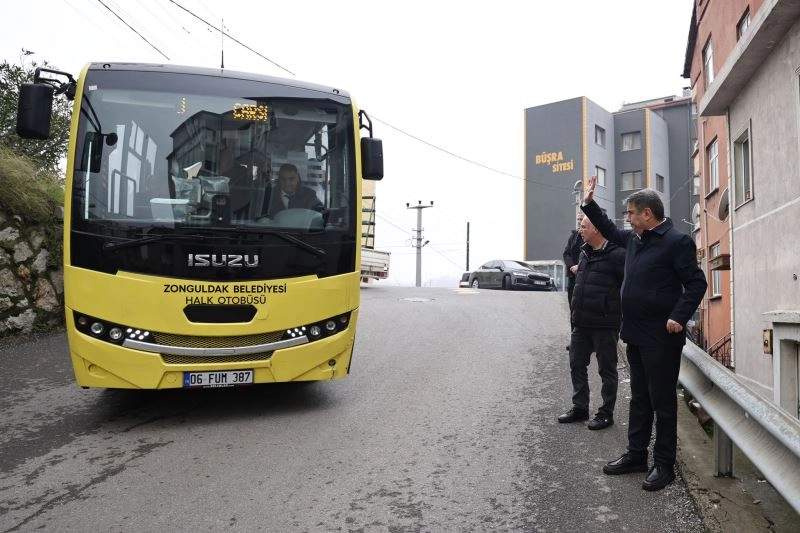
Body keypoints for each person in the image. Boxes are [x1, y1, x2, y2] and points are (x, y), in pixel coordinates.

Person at [581, 175, 707, 491]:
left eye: (631, 213)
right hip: (635, 333)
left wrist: (679, 316)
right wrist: (589, 203)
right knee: (639, 398)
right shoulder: (636, 241)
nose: (628, 218)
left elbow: (696, 283)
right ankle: (636, 455)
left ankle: (663, 465)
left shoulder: (677, 242)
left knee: (662, 402)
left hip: (662, 338)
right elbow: (609, 230)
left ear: (647, 214)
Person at [557, 215, 625, 430]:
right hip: (581, 323)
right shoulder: (584, 253)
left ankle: (606, 414)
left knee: (607, 370)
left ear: (596, 229)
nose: (580, 230)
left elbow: (627, 287)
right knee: (576, 364)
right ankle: (580, 407)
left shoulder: (617, 255)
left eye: (584, 226)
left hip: (605, 324)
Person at [562, 212, 585, 350]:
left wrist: (580, 266)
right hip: (573, 278)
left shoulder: (592, 235)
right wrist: (571, 266)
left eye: (581, 219)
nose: (579, 222)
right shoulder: (574, 236)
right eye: (578, 219)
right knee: (574, 311)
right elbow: (566, 253)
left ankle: (590, 342)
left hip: (587, 279)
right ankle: (575, 341)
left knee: (587, 310)